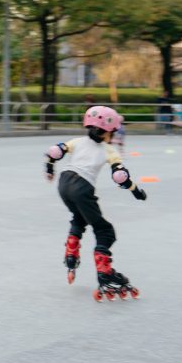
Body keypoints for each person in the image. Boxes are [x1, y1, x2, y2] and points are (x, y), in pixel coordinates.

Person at [44, 105, 147, 300]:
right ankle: (104, 270)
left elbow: (55, 151)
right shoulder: (110, 150)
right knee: (105, 230)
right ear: (108, 130)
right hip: (82, 187)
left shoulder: (77, 141)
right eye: (113, 132)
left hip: (64, 182)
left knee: (79, 217)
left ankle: (71, 250)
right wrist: (137, 192)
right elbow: (119, 177)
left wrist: (49, 168)